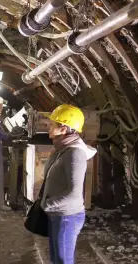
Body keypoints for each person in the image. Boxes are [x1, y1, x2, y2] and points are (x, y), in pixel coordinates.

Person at [42, 104, 96, 264]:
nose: (48, 126)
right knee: (56, 260)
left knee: (62, 261)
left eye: (52, 124)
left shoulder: (74, 154)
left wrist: (47, 204)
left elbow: (74, 194)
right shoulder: (62, 149)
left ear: (64, 129)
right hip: (57, 214)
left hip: (66, 217)